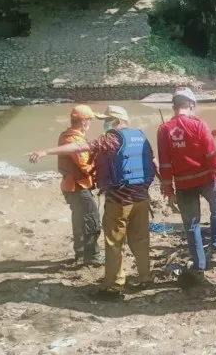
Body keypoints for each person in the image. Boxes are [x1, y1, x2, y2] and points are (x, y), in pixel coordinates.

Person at [28, 105, 156, 300]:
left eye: (106, 119)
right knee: (140, 239)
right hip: (142, 198)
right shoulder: (141, 135)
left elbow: (80, 147)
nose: (103, 123)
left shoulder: (111, 138)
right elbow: (152, 162)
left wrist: (46, 151)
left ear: (114, 121)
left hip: (119, 200)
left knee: (114, 243)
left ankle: (113, 287)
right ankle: (145, 278)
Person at [157, 87, 216, 284]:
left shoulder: (163, 130)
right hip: (207, 179)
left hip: (183, 184)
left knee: (191, 225)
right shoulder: (199, 125)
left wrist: (168, 190)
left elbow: (165, 164)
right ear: (191, 105)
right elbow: (212, 157)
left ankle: (199, 266)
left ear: (174, 106)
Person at [56, 105, 103, 266]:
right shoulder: (73, 139)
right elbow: (84, 165)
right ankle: (92, 256)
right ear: (83, 121)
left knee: (79, 219)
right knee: (92, 219)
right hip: (77, 187)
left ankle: (81, 254)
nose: (90, 123)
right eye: (89, 120)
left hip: (72, 186)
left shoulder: (68, 136)